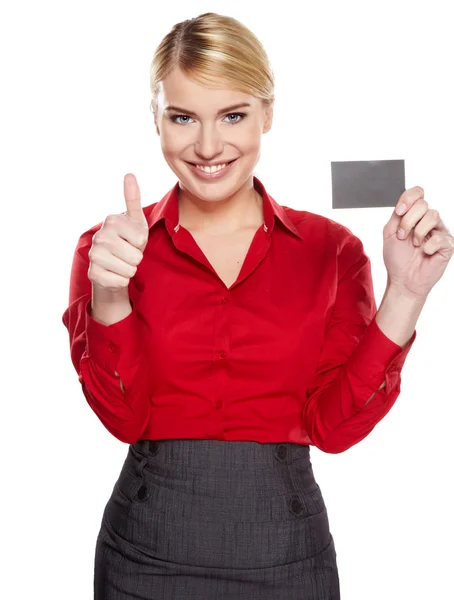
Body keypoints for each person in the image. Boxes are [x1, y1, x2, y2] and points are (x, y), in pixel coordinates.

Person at [63, 11, 452, 600]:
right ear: (156, 120)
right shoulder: (107, 249)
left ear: (268, 114)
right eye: (183, 117)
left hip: (289, 561)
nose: (209, 146)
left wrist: (407, 294)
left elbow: (334, 429)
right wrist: (110, 295)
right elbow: (124, 420)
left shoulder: (332, 251)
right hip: (144, 557)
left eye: (234, 115)